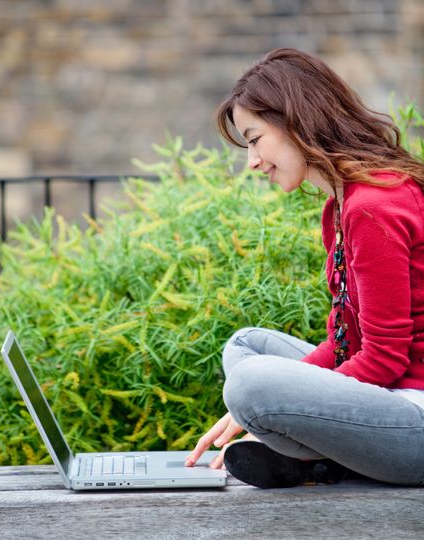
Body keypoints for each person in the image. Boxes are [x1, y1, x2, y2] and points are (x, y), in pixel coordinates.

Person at [184, 48, 424, 488]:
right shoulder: (340, 206)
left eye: (254, 139)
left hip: (415, 422)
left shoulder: (373, 207)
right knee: (246, 348)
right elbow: (344, 342)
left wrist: (268, 402)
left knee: (251, 384)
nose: (252, 161)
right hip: (388, 397)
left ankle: (322, 459)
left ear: (297, 119)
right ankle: (326, 459)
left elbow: (385, 358)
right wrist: (283, 399)